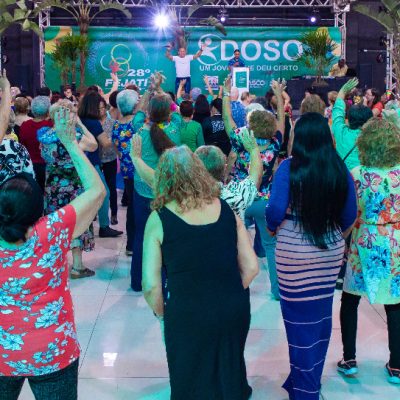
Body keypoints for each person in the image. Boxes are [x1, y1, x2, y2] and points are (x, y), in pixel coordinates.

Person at [0, 106, 105, 400]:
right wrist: (70, 142)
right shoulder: (52, 230)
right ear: (39, 211)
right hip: (52, 349)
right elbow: (97, 191)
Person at [142, 145, 259, 399]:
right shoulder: (225, 209)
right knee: (229, 371)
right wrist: (228, 292)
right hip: (232, 307)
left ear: (163, 178)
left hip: (187, 312)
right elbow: (251, 266)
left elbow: (150, 286)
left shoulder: (159, 219)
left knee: (190, 378)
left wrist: (163, 314)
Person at [265, 112, 357, 400]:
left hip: (293, 253)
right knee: (319, 319)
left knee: (298, 323)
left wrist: (272, 228)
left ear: (300, 138)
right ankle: (307, 379)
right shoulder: (339, 168)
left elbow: (275, 210)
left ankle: (305, 389)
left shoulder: (289, 168)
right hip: (328, 252)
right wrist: (335, 236)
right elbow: (350, 214)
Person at [338, 118, 400, 384]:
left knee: (350, 299)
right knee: (395, 303)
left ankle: (349, 359)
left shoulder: (357, 174)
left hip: (363, 240)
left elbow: (349, 213)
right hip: (394, 241)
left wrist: (342, 240)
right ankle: (397, 365)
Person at [224, 78, 286, 300]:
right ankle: (277, 291)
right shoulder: (275, 144)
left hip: (240, 198)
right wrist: (278, 95)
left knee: (232, 243)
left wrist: (225, 95)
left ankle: (232, 287)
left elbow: (228, 120)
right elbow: (282, 121)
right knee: (270, 245)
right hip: (263, 200)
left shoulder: (241, 141)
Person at [131, 128, 262, 222]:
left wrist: (136, 158)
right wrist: (254, 150)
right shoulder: (236, 195)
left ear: (194, 167)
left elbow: (155, 179)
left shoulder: (181, 194)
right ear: (223, 169)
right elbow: (255, 177)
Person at [130, 73, 181, 292]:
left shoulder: (139, 129)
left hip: (142, 191)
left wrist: (149, 90)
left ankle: (137, 281)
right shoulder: (175, 128)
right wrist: (159, 89)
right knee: (167, 238)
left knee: (141, 236)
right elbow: (175, 109)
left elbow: (139, 112)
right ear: (169, 112)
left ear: (149, 112)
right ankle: (165, 281)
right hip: (167, 193)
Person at [38, 99, 99, 279]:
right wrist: (80, 124)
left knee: (56, 223)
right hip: (74, 186)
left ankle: (55, 266)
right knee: (77, 221)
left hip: (53, 187)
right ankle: (77, 266)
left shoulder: (44, 136)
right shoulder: (73, 137)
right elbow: (94, 144)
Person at [78, 91, 123, 238]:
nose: (102, 110)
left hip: (80, 161)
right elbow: (105, 143)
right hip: (91, 162)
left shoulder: (79, 119)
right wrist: (119, 136)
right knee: (104, 192)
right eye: (100, 107)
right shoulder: (93, 123)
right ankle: (104, 226)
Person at [112, 89, 139, 255]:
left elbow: (116, 148)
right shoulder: (136, 123)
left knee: (131, 206)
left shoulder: (116, 125)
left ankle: (130, 244)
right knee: (140, 206)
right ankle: (137, 243)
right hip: (140, 170)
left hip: (126, 170)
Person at [332, 78, 373, 171]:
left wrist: (342, 91)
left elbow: (338, 111)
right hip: (366, 178)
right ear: (369, 120)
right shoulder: (374, 138)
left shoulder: (341, 132)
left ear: (349, 119)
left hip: (345, 177)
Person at [19, 96, 53, 191]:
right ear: (48, 111)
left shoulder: (25, 125)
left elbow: (22, 145)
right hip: (47, 166)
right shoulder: (51, 126)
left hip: (29, 166)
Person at [99, 96, 119, 225]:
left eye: (101, 108)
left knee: (111, 187)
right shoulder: (93, 123)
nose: (99, 110)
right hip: (96, 159)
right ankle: (97, 213)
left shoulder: (112, 122)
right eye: (97, 108)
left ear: (105, 108)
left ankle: (114, 214)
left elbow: (116, 140)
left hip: (110, 158)